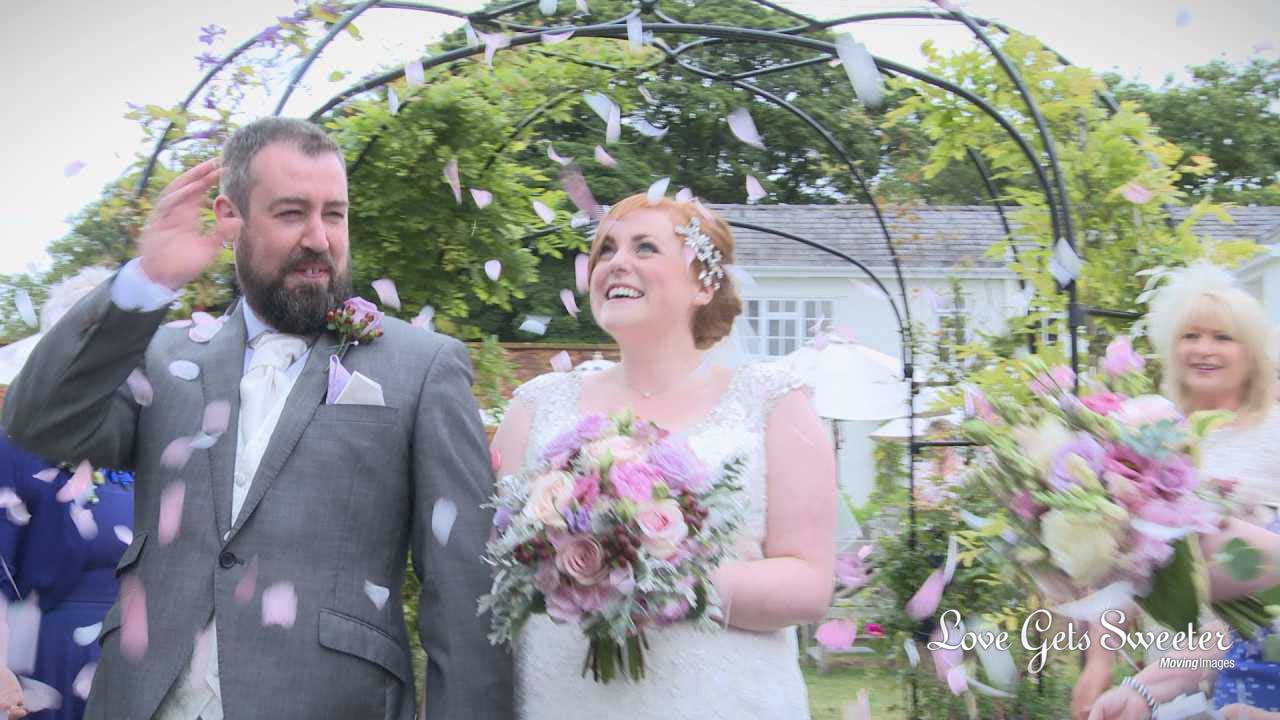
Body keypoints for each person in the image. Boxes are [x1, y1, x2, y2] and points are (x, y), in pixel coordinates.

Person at [1, 117, 511, 719]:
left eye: (335, 214)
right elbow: (39, 422)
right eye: (292, 213)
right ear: (231, 216)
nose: (320, 238)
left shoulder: (423, 367)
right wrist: (147, 280)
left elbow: (464, 591)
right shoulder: (163, 355)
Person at [489, 193, 838, 719]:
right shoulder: (538, 406)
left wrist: (648, 572)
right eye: (606, 250)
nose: (615, 263)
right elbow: (491, 566)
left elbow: (808, 586)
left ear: (703, 284)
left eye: (645, 247)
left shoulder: (771, 403)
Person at [1078, 263, 1280, 719]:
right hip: (1181, 659)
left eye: (1222, 337)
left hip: (1256, 658)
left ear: (1251, 353)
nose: (1203, 350)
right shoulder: (1150, 432)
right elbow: (1120, 565)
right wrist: (1102, 662)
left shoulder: (1275, 430)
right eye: (1191, 336)